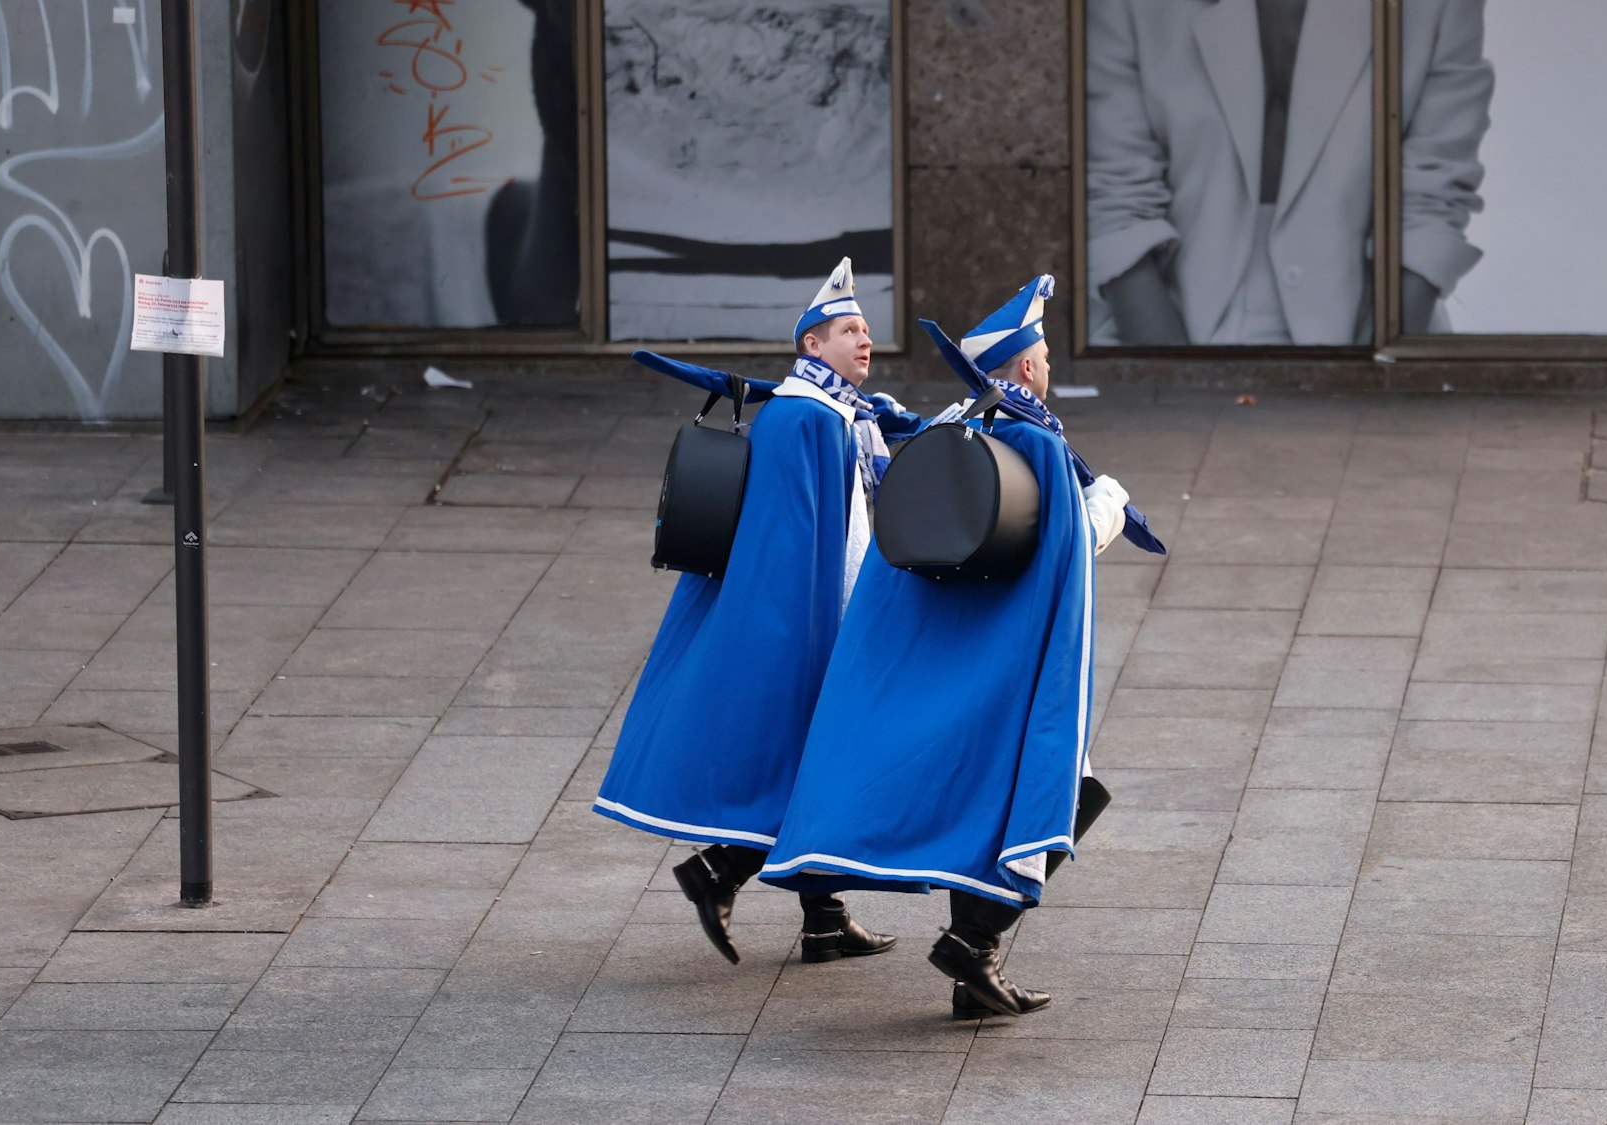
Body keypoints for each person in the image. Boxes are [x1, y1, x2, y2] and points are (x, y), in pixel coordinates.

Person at [760, 276, 1129, 1019]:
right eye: (1046, 355)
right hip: (1006, 661)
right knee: (1064, 792)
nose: (1049, 367)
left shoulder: (956, 421)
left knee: (991, 794)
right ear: (1025, 366)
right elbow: (1061, 552)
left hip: (954, 657)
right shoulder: (1033, 433)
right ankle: (974, 945)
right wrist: (1107, 509)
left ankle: (974, 966)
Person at [593, 258, 914, 966]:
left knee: (813, 763)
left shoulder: (839, 414)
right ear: (812, 345)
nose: (865, 342)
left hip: (818, 613)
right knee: (816, 761)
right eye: (849, 331)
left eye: (866, 330)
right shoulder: (808, 416)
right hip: (809, 620)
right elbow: (799, 540)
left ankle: (814, 914)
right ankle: (725, 874)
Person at [1085, 0, 1493, 345]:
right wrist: (1171, 382)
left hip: (1370, 330)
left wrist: (1368, 378)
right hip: (1149, 327)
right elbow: (1114, 201)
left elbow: (1431, 202)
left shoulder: (1434, 8)